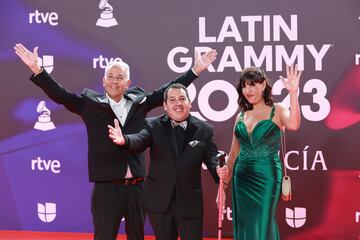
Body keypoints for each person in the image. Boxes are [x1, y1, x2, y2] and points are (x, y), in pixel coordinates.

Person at [14, 43, 217, 240]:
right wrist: (37, 69)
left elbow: (168, 90)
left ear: (127, 83)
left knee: (137, 236)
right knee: (104, 235)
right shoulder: (89, 104)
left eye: (120, 77)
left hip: (137, 186)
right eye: (110, 77)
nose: (114, 81)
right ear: (103, 82)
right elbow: (60, 95)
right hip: (106, 186)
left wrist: (195, 70)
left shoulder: (140, 103)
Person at [108, 83, 228, 240]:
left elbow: (212, 159)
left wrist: (219, 172)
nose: (178, 103)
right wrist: (125, 140)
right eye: (172, 99)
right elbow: (140, 140)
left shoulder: (204, 130)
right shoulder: (153, 125)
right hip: (160, 201)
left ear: (189, 103)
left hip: (190, 202)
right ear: (165, 105)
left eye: (182, 98)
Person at [222, 65, 302, 240]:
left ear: (264, 84)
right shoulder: (241, 116)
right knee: (244, 224)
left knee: (263, 222)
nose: (248, 90)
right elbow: (234, 153)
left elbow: (294, 124)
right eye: (244, 86)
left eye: (252, 84)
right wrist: (223, 187)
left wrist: (293, 93)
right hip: (241, 178)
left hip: (267, 177)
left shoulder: (277, 109)